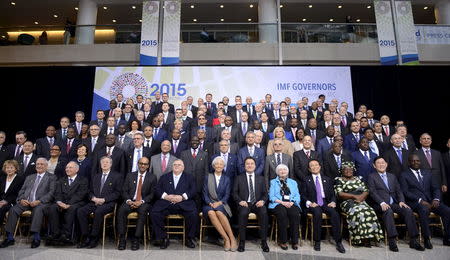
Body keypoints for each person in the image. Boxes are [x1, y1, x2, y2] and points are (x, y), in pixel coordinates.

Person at [367, 156, 424, 252]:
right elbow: (372, 192)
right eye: (378, 163)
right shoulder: (371, 176)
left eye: (383, 162)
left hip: (394, 203)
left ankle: (414, 240)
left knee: (408, 210)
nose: (381, 164)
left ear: (386, 164)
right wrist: (382, 202)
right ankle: (392, 240)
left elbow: (399, 190)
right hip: (380, 204)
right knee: (388, 211)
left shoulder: (392, 176)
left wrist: (401, 201)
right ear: (374, 166)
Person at [1, 158, 57, 249]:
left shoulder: (52, 177)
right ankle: (9, 238)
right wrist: (21, 199)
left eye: (42, 164)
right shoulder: (30, 177)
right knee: (13, 210)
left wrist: (39, 201)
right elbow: (22, 191)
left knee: (38, 210)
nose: (39, 166)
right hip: (26, 202)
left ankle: (36, 237)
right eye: (37, 164)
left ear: (46, 166)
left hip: (41, 203)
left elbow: (51, 193)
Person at [399, 154, 450, 247]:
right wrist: (420, 200)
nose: (415, 162)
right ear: (409, 162)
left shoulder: (427, 173)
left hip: (431, 201)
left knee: (447, 211)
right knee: (424, 210)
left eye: (417, 161)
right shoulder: (404, 175)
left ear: (420, 161)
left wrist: (436, 199)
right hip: (416, 202)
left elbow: (435, 188)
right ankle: (426, 239)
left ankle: (447, 238)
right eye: (413, 161)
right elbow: (405, 192)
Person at [150, 159, 198, 249]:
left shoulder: (189, 177)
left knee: (193, 213)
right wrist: (166, 196)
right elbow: (157, 189)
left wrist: (182, 197)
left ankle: (188, 238)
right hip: (167, 203)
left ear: (183, 167)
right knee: (154, 213)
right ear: (172, 167)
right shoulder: (164, 177)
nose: (176, 166)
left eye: (179, 165)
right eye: (175, 164)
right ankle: (163, 238)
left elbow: (193, 190)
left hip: (183, 203)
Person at [334, 161, 384, 247]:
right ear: (342, 171)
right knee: (357, 212)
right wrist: (354, 197)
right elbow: (340, 193)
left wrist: (360, 197)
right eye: (345, 169)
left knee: (370, 211)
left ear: (353, 170)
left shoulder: (358, 178)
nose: (348, 171)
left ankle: (368, 238)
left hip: (361, 200)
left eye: (350, 169)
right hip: (347, 202)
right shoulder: (339, 180)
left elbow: (366, 190)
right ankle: (358, 238)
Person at [77, 156, 122, 249]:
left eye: (107, 162)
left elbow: (118, 193)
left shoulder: (117, 176)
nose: (104, 164)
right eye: (103, 162)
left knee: (98, 212)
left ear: (111, 164)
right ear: (100, 165)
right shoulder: (96, 176)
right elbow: (89, 191)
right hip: (94, 202)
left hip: (108, 203)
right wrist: (93, 198)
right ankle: (86, 236)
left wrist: (104, 200)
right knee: (81, 211)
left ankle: (94, 237)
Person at [302, 159, 345, 253]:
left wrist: (333, 202)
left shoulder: (327, 179)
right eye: (311, 166)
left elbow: (333, 194)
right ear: (309, 169)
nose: (314, 167)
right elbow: (303, 195)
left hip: (325, 202)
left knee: (335, 214)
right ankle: (317, 241)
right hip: (314, 203)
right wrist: (309, 203)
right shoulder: (306, 179)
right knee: (317, 213)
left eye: (316, 165)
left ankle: (338, 242)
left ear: (320, 167)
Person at [117, 157, 157, 251]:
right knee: (121, 210)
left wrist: (141, 201)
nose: (142, 165)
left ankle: (136, 238)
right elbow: (124, 191)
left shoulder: (152, 177)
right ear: (138, 164)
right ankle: (122, 238)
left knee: (143, 211)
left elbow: (152, 194)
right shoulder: (130, 175)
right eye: (141, 163)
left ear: (148, 166)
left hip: (143, 202)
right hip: (130, 201)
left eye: (145, 164)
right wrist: (128, 201)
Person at [45, 161, 88, 245]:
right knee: (53, 208)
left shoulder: (83, 180)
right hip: (62, 203)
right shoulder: (62, 179)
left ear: (76, 169)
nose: (67, 169)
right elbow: (57, 193)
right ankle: (55, 233)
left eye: (70, 167)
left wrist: (69, 204)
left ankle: (66, 234)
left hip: (76, 203)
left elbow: (81, 194)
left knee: (71, 209)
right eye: (66, 168)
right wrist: (60, 202)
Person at [233, 157, 269, 253]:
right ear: (244, 166)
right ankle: (242, 242)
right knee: (243, 213)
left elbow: (265, 194)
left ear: (255, 166)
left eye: (252, 163)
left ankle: (264, 241)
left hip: (257, 203)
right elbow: (234, 193)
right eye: (247, 164)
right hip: (245, 203)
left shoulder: (261, 178)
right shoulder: (239, 178)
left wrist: (263, 201)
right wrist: (240, 201)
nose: (250, 165)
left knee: (264, 212)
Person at [202, 157, 237, 251]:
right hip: (208, 204)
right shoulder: (208, 177)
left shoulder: (227, 179)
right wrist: (209, 203)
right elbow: (204, 193)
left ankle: (232, 237)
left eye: (221, 164)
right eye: (216, 164)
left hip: (222, 203)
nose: (219, 166)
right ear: (213, 166)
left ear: (224, 166)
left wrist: (219, 202)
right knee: (211, 212)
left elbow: (227, 195)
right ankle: (226, 239)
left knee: (219, 212)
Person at [268, 164, 301, 250]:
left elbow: (297, 195)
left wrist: (292, 202)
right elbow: (271, 196)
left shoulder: (293, 182)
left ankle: (294, 241)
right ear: (277, 172)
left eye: (284, 170)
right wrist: (282, 202)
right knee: (282, 213)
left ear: (287, 172)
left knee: (295, 214)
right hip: (278, 203)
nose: (282, 171)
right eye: (280, 170)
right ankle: (283, 240)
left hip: (291, 203)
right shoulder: (273, 182)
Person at [179, 136, 209, 208]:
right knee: (186, 204)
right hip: (186, 183)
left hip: (199, 184)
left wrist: (205, 183)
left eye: (196, 141)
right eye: (193, 140)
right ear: (190, 142)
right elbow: (180, 169)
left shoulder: (204, 154)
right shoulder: (184, 153)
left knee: (198, 205)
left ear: (199, 142)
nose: (194, 142)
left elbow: (206, 170)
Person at [0, 160, 25, 230]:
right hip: (1, 202)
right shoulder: (2, 178)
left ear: (16, 169)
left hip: (12, 202)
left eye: (11, 167)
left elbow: (18, 194)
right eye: (7, 168)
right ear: (4, 169)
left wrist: (6, 201)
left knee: (2, 209)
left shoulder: (20, 179)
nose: (9, 169)